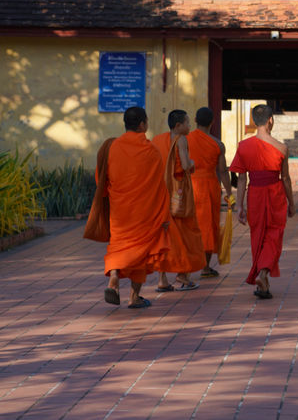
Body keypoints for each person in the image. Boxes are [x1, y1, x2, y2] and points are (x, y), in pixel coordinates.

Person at [86, 105, 170, 309]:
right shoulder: (151, 150)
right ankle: (134, 297)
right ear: (142, 124)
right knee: (141, 252)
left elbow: (101, 177)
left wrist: (109, 193)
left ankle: (114, 277)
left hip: (120, 209)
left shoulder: (112, 147)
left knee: (119, 244)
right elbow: (159, 185)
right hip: (144, 212)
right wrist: (164, 214)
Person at [229, 103, 295, 299]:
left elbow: (241, 178)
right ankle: (263, 272)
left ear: (253, 121)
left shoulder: (243, 146)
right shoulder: (282, 148)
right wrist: (291, 203)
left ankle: (262, 283)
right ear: (270, 120)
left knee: (258, 235)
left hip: (255, 194)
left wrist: (239, 205)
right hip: (275, 193)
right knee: (274, 234)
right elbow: (286, 179)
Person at [152, 109, 206, 291]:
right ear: (178, 126)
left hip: (161, 194)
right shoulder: (181, 139)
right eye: (187, 123)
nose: (190, 126)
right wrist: (193, 164)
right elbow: (184, 165)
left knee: (165, 235)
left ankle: (162, 279)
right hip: (179, 196)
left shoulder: (157, 140)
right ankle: (183, 276)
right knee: (185, 234)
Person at [189, 106, 233, 278]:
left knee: (190, 224)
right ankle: (205, 267)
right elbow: (222, 171)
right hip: (209, 186)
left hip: (190, 186)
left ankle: (188, 265)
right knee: (208, 225)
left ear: (194, 121)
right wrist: (229, 192)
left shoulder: (185, 141)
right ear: (213, 122)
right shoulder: (217, 144)